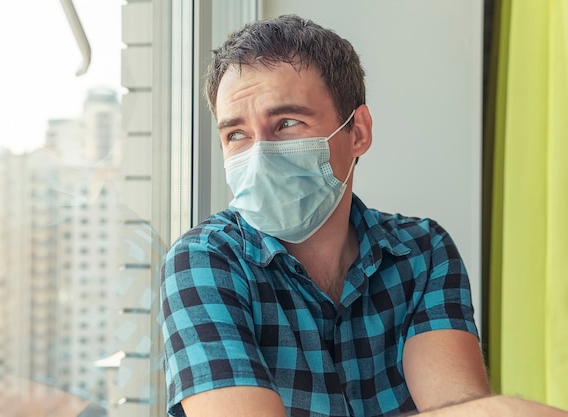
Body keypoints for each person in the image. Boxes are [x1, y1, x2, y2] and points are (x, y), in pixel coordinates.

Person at [160, 15, 568, 417]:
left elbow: (458, 406)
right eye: (236, 134)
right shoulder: (205, 261)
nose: (259, 154)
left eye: (286, 123)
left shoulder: (421, 252)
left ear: (357, 132)